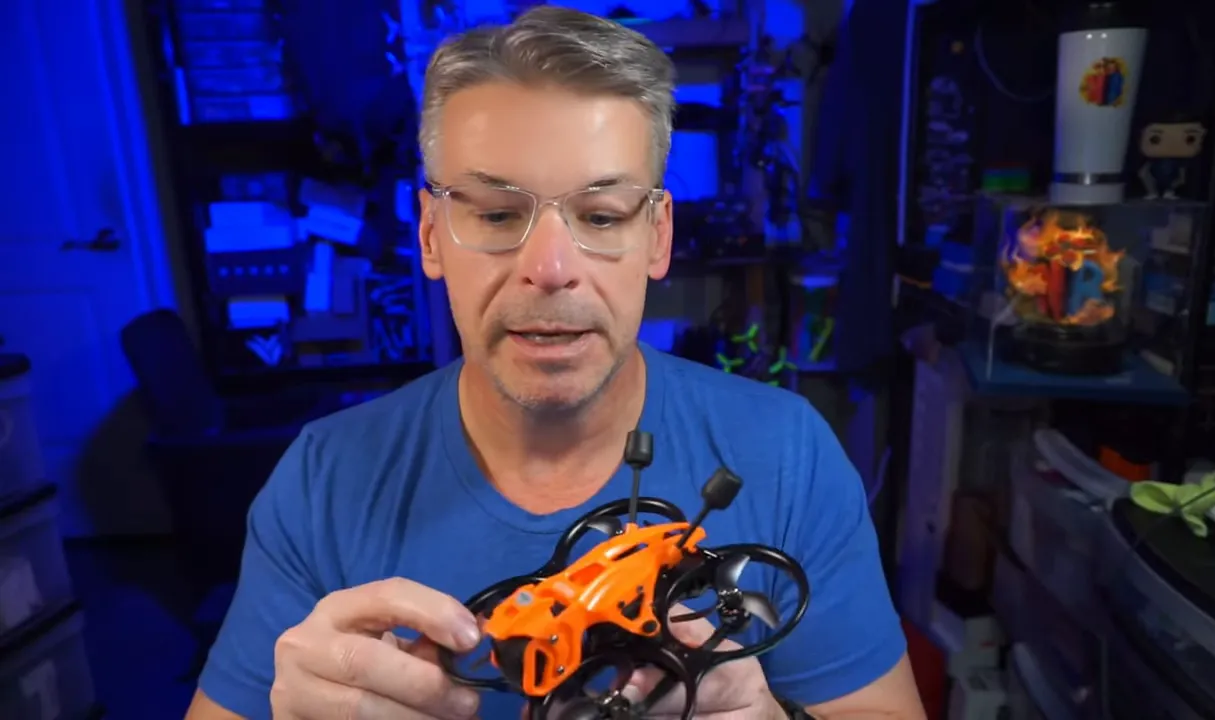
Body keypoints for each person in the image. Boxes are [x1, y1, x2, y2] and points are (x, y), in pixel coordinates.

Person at [185, 6, 923, 720]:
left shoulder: (788, 456)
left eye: (600, 216)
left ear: (657, 237)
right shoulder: (324, 480)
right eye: (498, 214)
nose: (551, 267)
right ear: (433, 235)